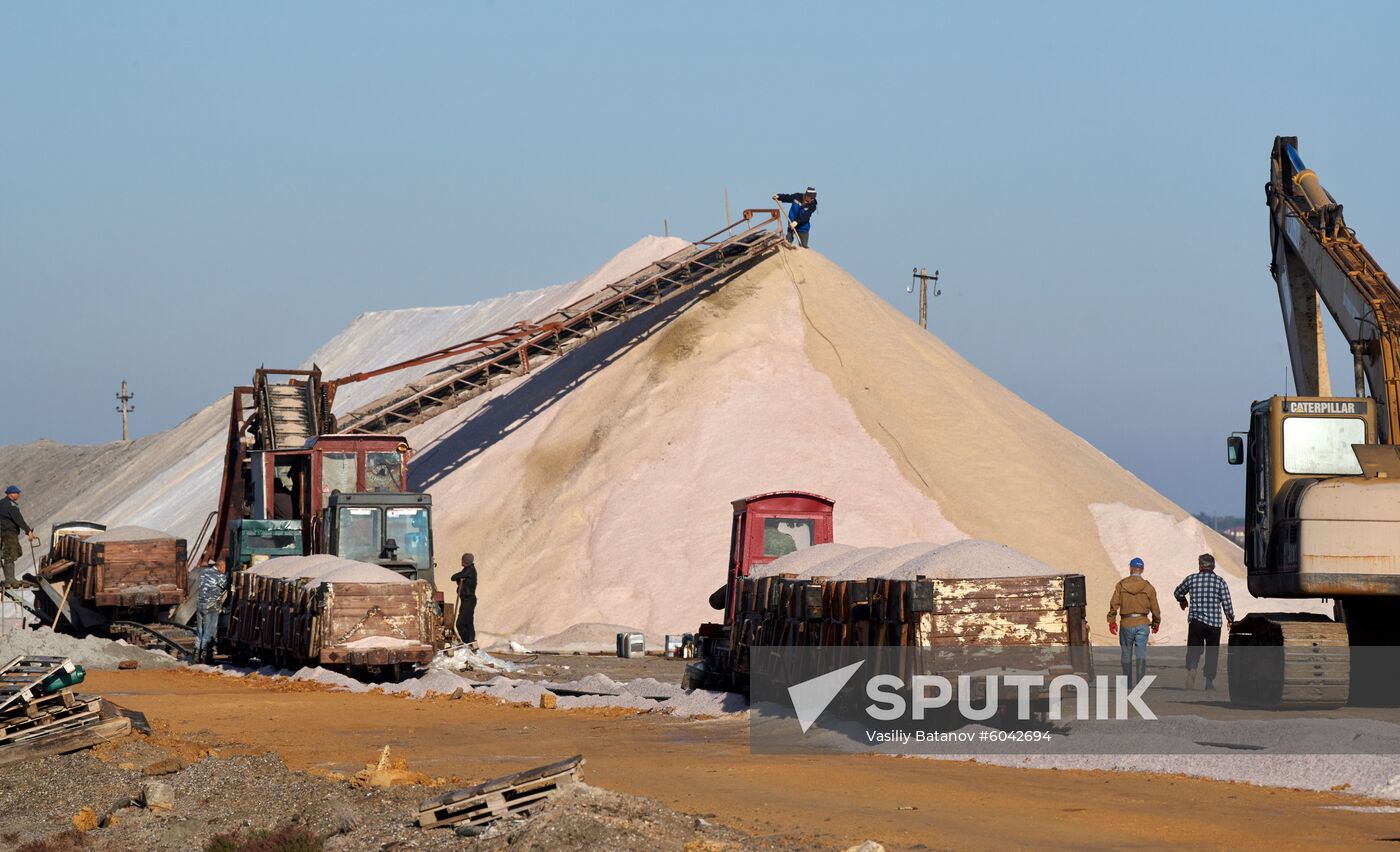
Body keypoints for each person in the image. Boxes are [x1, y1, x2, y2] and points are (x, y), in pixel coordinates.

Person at [1174, 553, 1234, 690]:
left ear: (1200, 565)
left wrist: (1182, 600)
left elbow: (1177, 592)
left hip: (1196, 622)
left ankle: (1192, 669)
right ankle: (1209, 681)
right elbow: (1227, 602)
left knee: (1194, 649)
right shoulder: (1220, 581)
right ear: (1213, 566)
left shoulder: (1192, 579)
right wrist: (1230, 619)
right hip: (1214, 624)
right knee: (1212, 652)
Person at [1107, 556, 1161, 688]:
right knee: (1141, 653)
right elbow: (1155, 608)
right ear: (1142, 570)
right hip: (1142, 623)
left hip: (1126, 623)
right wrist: (1156, 623)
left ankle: (1128, 684)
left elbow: (1114, 604)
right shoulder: (1148, 587)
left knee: (1126, 653)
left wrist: (1112, 621)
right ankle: (1140, 685)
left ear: (1130, 568)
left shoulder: (1121, 585)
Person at [0, 486, 38, 588]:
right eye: (17, 493)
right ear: (11, 494)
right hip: (9, 533)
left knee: (10, 553)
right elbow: (18, 519)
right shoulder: (11, 505)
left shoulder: (1, 503)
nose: (18, 495)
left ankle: (9, 579)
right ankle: (10, 579)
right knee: (10, 555)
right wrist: (28, 531)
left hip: (2, 533)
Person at [194, 560, 229, 665]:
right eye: (224, 567)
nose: (224, 569)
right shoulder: (221, 577)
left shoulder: (205, 572)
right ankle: (206, 655)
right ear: (221, 566)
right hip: (211, 607)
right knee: (209, 631)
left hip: (200, 605)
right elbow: (226, 587)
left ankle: (196, 654)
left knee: (200, 630)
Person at [450, 552, 478, 646]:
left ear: (465, 561)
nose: (461, 561)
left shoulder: (469, 570)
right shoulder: (467, 570)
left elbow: (453, 577)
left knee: (460, 624)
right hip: (467, 600)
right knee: (468, 622)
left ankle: (467, 643)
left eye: (462, 560)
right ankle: (470, 643)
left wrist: (460, 577)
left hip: (468, 600)